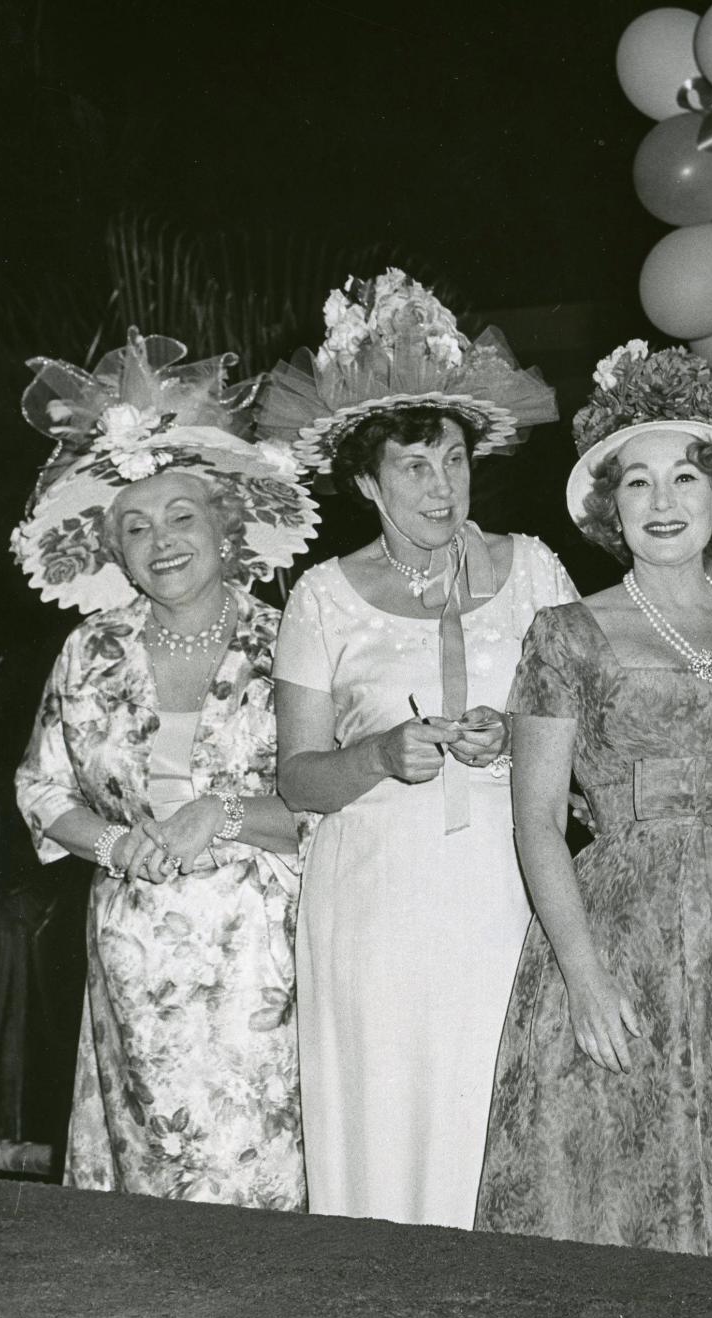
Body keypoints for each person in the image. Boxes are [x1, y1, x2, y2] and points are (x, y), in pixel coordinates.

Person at [475, 341, 712, 1264]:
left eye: (684, 478)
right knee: (615, 1173)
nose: (663, 502)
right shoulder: (566, 633)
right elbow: (537, 820)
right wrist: (584, 975)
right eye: (637, 482)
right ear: (610, 507)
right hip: (623, 929)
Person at [258, 269, 576, 1228]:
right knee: (385, 1125)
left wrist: (516, 733)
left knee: (496, 1102)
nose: (442, 487)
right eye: (414, 468)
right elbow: (298, 775)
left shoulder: (535, 570)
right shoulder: (322, 596)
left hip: (503, 880)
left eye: (453, 461)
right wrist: (382, 756)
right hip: (376, 894)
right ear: (366, 479)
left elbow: (587, 725)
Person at [13, 329, 320, 1209]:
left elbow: (333, 799)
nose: (163, 541)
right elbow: (41, 787)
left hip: (267, 963)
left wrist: (223, 813)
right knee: (149, 1202)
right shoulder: (92, 648)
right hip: (132, 961)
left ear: (228, 524)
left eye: (182, 515)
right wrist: (110, 843)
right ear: (114, 550)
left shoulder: (294, 636)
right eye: (136, 527)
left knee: (262, 1191)